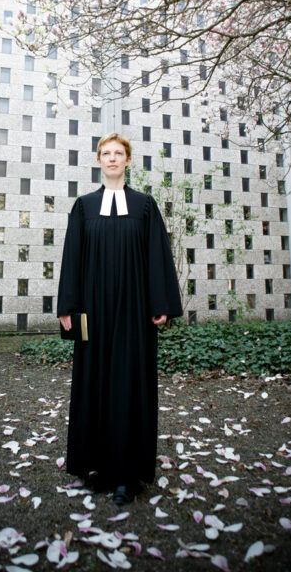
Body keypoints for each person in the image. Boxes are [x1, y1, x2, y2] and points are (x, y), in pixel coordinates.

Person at [57, 132, 182, 506]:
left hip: (133, 312)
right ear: (99, 161)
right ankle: (97, 468)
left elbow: (157, 255)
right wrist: (67, 306)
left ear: (128, 161)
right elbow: (73, 258)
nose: (112, 159)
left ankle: (127, 475)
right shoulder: (83, 206)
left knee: (129, 386)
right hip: (93, 310)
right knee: (94, 382)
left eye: (118, 154)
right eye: (106, 154)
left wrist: (160, 302)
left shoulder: (145, 206)